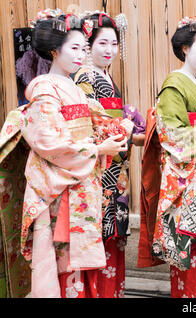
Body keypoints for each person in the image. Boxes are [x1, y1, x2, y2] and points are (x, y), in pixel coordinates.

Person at [9, 9, 129, 298]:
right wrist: (99, 148)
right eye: (74, 48)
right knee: (65, 271)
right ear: (53, 50)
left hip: (82, 189)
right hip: (61, 194)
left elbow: (92, 124)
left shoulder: (73, 88)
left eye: (83, 49)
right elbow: (49, 143)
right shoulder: (43, 89)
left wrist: (116, 129)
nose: (80, 55)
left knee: (82, 272)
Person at [138, 17, 196, 298]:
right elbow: (170, 133)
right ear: (185, 48)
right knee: (187, 246)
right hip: (186, 178)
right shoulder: (174, 84)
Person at [72, 11, 146, 298]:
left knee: (113, 239)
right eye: (102, 43)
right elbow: (89, 125)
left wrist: (131, 127)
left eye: (114, 44)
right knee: (98, 239)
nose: (109, 50)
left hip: (115, 171)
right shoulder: (83, 77)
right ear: (88, 45)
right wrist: (127, 127)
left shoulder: (106, 77)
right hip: (98, 169)